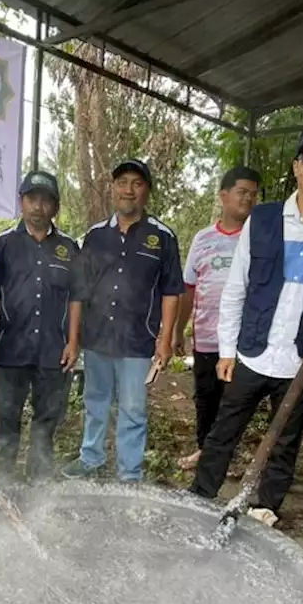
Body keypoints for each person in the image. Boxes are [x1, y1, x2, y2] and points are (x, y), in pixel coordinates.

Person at [190, 125, 303, 526]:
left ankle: (266, 507)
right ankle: (201, 495)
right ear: (295, 166)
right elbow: (236, 286)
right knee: (224, 429)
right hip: (253, 349)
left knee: (286, 438)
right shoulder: (264, 218)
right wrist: (225, 350)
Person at [62, 158, 183, 482]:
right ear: (113, 188)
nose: (128, 190)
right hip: (98, 338)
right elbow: (78, 291)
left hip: (137, 342)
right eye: (122, 183)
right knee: (95, 401)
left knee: (133, 409)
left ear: (147, 191)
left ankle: (129, 474)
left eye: (137, 183)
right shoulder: (95, 236)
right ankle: (91, 458)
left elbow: (172, 291)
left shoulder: (163, 237)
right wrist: (74, 340)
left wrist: (166, 338)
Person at [0, 171, 80, 482]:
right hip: (12, 349)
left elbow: (77, 297)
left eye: (46, 200)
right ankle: (4, 482)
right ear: (21, 202)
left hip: (54, 352)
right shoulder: (2, 244)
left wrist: (73, 342)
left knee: (46, 421)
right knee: (8, 420)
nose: (38, 206)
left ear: (56, 207)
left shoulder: (69, 248)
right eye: (31, 198)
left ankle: (39, 480)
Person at [174, 165, 262, 471]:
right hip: (206, 338)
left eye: (253, 194)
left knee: (234, 403)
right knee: (206, 398)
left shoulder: (261, 238)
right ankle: (204, 450)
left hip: (243, 341)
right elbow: (188, 288)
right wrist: (177, 331)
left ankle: (227, 456)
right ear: (223, 195)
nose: (248, 199)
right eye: (242, 192)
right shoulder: (203, 239)